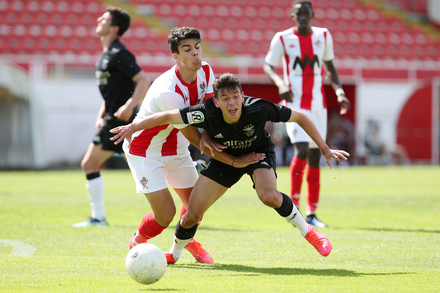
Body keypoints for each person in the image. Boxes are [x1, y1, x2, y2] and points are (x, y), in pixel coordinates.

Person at [110, 73, 349, 264]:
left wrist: (325, 148)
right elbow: (166, 116)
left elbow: (301, 117)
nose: (232, 102)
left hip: (257, 155)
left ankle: (309, 232)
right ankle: (174, 254)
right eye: (225, 98)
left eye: (235, 96)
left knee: (269, 196)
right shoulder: (204, 112)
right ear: (216, 101)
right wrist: (133, 126)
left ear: (242, 96)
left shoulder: (259, 108)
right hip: (225, 160)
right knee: (192, 213)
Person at [111, 27, 264, 263]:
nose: (195, 53)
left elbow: (211, 109)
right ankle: (138, 241)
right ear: (175, 56)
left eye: (197, 47)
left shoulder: (206, 71)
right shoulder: (167, 91)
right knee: (165, 216)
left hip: (177, 147)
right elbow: (193, 134)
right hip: (145, 151)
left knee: (196, 206)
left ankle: (182, 245)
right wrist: (219, 148)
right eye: (187, 49)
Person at [263, 0, 350, 228]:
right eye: (298, 13)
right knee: (301, 150)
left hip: (318, 106)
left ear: (312, 14)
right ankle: (294, 208)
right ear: (293, 16)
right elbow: (268, 65)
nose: (303, 16)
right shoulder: (283, 38)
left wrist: (339, 92)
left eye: (306, 12)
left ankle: (311, 213)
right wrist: (281, 84)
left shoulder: (323, 35)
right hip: (295, 105)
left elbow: (330, 67)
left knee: (315, 156)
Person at [73, 6, 151, 227]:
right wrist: (101, 112)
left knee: (89, 164)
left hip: (120, 121)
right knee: (143, 170)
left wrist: (129, 106)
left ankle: (98, 218)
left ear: (114, 28)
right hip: (113, 119)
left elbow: (144, 81)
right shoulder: (106, 55)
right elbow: (110, 91)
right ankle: (189, 168)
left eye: (104, 18)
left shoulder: (119, 53)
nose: (99, 19)